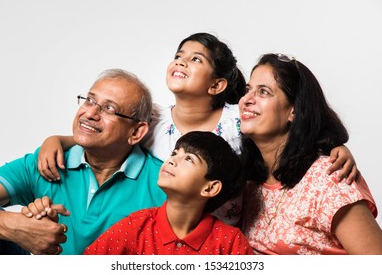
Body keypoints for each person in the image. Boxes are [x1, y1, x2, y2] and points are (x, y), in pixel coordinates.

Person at [35, 33, 359, 226]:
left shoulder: (239, 118)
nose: (181, 62)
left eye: (195, 60)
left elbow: (285, 132)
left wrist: (332, 147)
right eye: (179, 56)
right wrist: (58, 140)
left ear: (217, 84)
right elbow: (113, 132)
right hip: (169, 234)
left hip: (229, 235)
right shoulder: (155, 121)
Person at [0, 68, 166, 255]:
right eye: (90, 100)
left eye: (109, 108)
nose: (90, 113)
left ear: (136, 132)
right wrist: (13, 225)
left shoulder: (164, 184)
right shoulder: (47, 161)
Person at [238, 53, 382, 254]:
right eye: (247, 90)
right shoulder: (248, 182)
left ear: (293, 111)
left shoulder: (330, 177)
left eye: (263, 92)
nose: (246, 99)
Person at [84, 131, 254, 255]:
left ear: (210, 188)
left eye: (189, 159)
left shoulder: (230, 242)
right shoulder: (135, 227)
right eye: (174, 153)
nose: (172, 160)